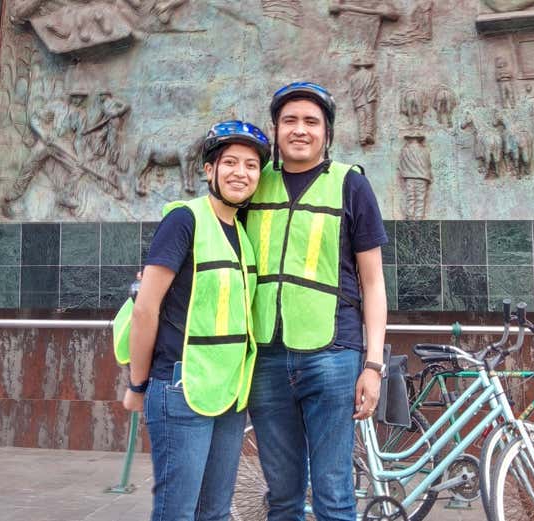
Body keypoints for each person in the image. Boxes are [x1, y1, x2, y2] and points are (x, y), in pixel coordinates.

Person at [244, 82, 388, 521]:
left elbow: (374, 281)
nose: (300, 130)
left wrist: (373, 364)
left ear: (327, 132)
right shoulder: (251, 185)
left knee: (333, 494)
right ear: (275, 130)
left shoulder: (351, 185)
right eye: (290, 121)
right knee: (282, 495)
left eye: (311, 121)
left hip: (333, 354)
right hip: (265, 357)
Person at [121, 120, 271, 521]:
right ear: (209, 170)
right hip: (181, 386)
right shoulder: (184, 220)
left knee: (216, 513)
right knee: (178, 513)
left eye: (252, 165)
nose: (241, 173)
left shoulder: (242, 233)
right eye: (231, 163)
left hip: (228, 391)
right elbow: (145, 308)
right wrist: (137, 383)